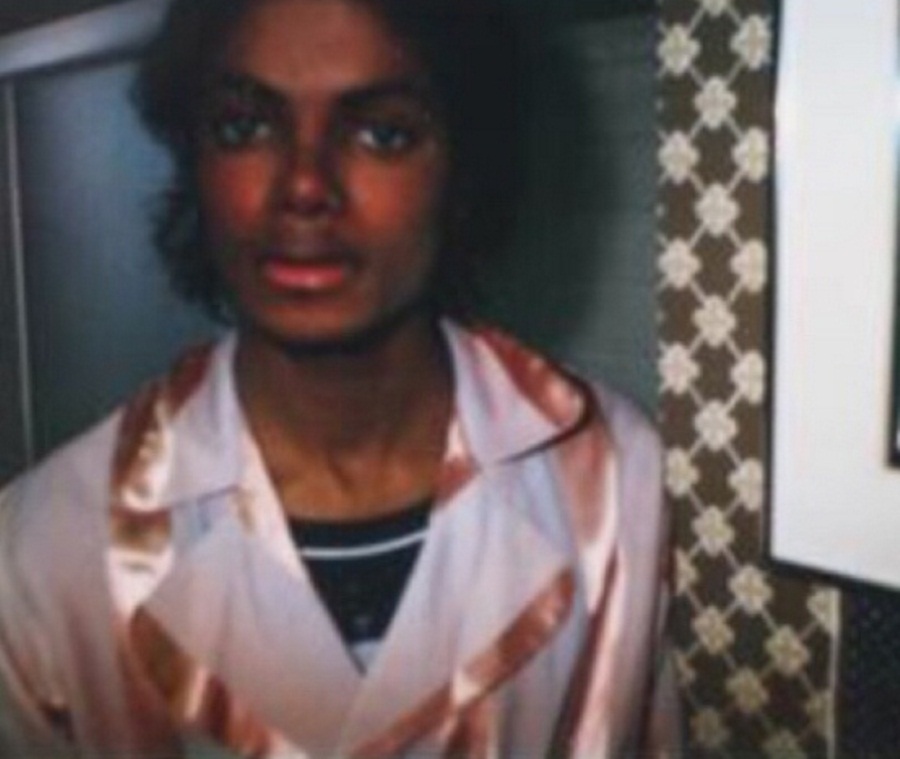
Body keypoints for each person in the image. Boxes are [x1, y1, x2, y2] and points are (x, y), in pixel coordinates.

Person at [0, 0, 679, 755]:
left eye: (382, 133)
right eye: (244, 127)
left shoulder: (616, 483)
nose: (303, 186)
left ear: (464, 168)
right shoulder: (38, 552)